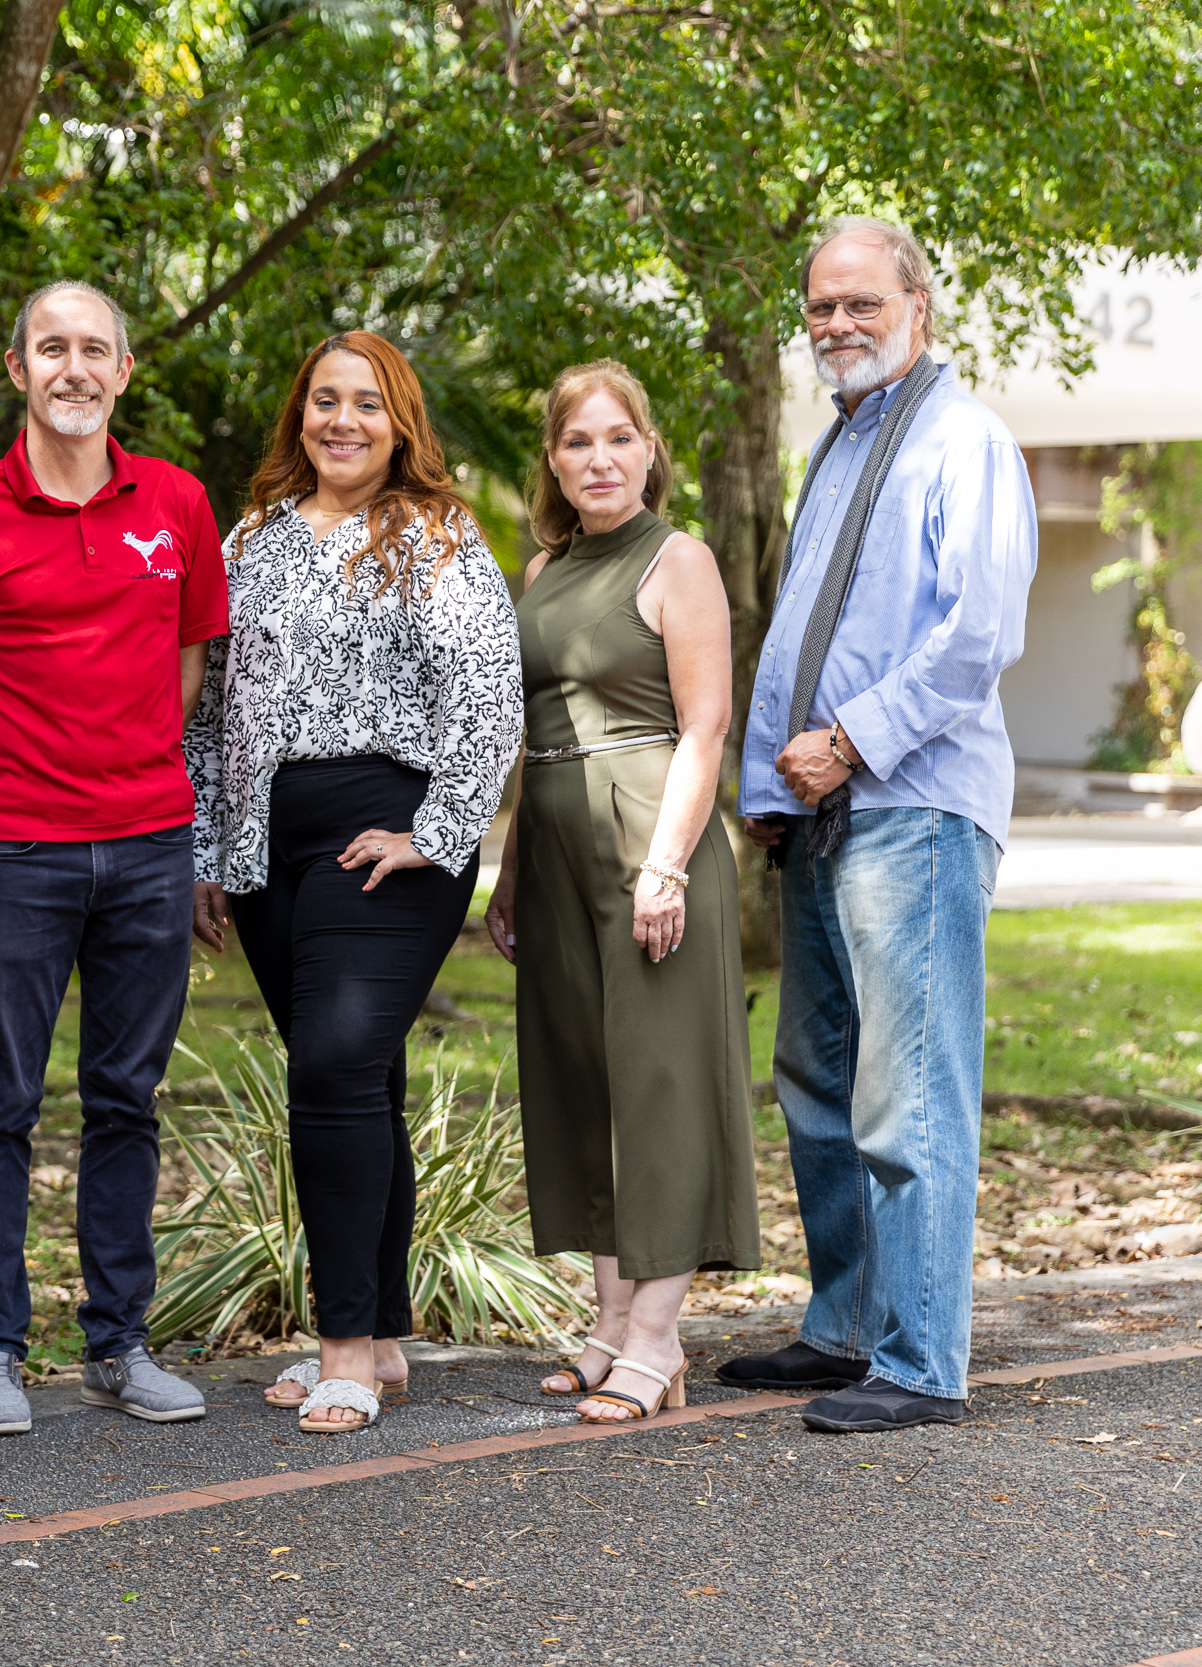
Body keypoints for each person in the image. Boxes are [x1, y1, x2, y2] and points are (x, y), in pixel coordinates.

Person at [0, 279, 227, 1437]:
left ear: (122, 371)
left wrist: (129, 764)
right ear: (19, 369)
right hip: (17, 849)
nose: (73, 367)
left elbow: (187, 660)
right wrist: (1, 776)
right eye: (51, 348)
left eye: (94, 349)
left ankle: (119, 1345)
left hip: (146, 846)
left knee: (126, 1098)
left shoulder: (175, 503)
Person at [718, 216, 1036, 1434]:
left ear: (919, 305)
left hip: (911, 803)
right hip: (819, 817)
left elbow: (975, 635)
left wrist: (848, 739)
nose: (836, 325)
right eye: (819, 308)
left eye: (860, 302)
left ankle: (918, 1360)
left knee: (910, 1092)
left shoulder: (963, 439)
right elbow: (812, 623)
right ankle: (845, 1323)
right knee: (819, 1078)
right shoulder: (844, 443)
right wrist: (769, 788)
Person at [185, 332, 522, 1434]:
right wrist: (206, 849)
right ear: (299, 415)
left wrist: (435, 828)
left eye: (365, 405)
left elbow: (489, 693)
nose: (341, 421)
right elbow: (210, 707)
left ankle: (336, 1346)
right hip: (264, 837)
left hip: (386, 827)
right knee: (356, 1077)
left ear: (399, 424)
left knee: (334, 1060)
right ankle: (379, 1335)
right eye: (323, 400)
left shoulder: (435, 537)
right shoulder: (253, 539)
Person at [482, 360, 761, 1427]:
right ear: (552, 460)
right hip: (552, 843)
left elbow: (703, 725)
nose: (598, 459)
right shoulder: (544, 564)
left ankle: (658, 1335)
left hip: (652, 839)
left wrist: (665, 862)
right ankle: (609, 1322)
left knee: (661, 1086)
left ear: (648, 447)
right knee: (583, 1086)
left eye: (617, 438)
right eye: (575, 442)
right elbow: (534, 728)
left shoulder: (675, 558)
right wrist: (509, 868)